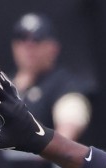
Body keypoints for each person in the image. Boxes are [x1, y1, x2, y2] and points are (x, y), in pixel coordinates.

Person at [10, 13, 92, 141]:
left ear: (53, 48)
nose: (28, 46)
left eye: (36, 40)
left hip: (41, 157)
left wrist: (57, 149)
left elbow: (69, 125)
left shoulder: (64, 85)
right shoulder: (3, 85)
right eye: (22, 39)